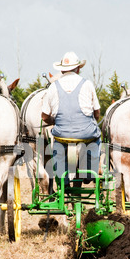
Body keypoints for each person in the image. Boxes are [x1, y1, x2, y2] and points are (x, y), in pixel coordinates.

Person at [41, 51, 101, 182]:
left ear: (62, 71)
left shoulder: (52, 87)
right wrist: (92, 122)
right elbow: (97, 112)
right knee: (96, 138)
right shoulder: (87, 84)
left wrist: (55, 120)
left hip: (62, 134)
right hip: (86, 133)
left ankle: (64, 180)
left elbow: (44, 117)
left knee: (58, 144)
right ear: (78, 68)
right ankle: (89, 174)